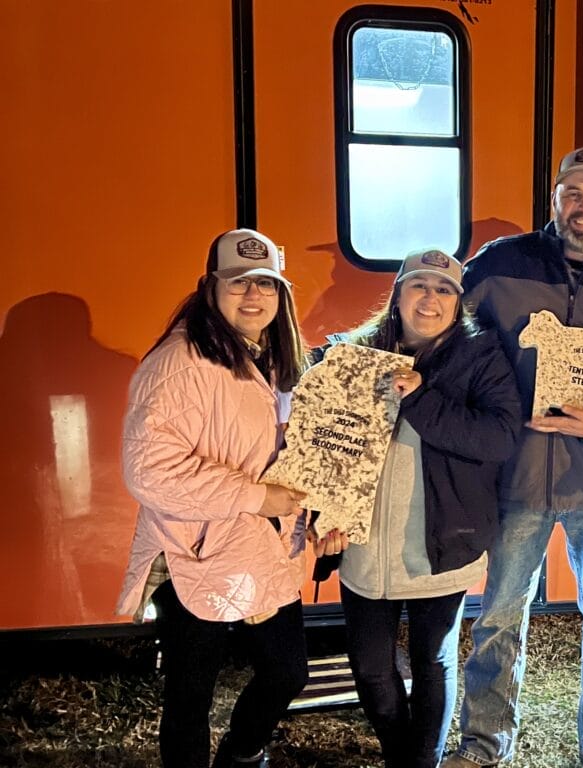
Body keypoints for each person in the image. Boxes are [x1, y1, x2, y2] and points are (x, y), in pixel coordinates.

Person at [443, 146, 583, 768]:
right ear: (554, 200)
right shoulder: (499, 264)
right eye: (574, 193)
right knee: (497, 618)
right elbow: (446, 334)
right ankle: (483, 746)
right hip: (514, 475)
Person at [116, 228, 315, 768]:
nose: (254, 296)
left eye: (267, 285)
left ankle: (242, 752)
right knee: (190, 694)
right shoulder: (179, 363)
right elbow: (150, 471)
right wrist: (256, 496)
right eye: (238, 283)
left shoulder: (270, 357)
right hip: (191, 549)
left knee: (287, 670)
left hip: (255, 543)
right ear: (210, 287)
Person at [314, 249, 520, 768]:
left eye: (444, 290)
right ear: (398, 295)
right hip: (365, 544)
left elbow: (499, 438)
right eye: (419, 286)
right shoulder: (355, 352)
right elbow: (320, 439)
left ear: (459, 301)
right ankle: (399, 752)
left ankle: (417, 761)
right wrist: (325, 511)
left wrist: (421, 396)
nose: (430, 299)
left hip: (442, 541)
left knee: (431, 659)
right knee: (370, 667)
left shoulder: (481, 356)